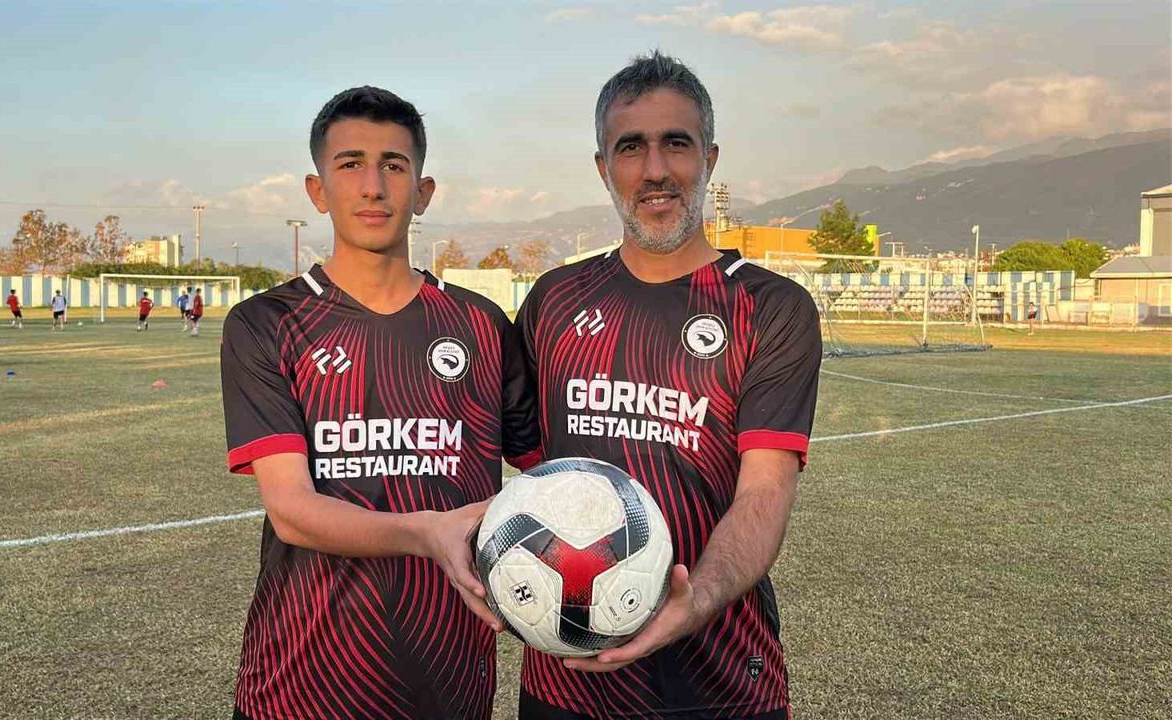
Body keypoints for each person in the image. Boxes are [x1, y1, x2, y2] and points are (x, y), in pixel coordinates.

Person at [515, 51, 821, 720]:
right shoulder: (554, 300)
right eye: (631, 148)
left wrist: (696, 599)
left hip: (719, 679)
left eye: (676, 143)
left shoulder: (770, 307)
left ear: (709, 157)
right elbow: (527, 464)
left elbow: (765, 490)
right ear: (604, 167)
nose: (655, 170)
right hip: (565, 684)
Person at [220, 85, 541, 720]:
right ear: (318, 191)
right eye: (351, 165)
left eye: (394, 165)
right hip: (299, 689)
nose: (373, 186)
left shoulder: (481, 325)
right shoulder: (267, 323)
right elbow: (291, 512)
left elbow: (549, 470)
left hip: (450, 685)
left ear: (423, 191)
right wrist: (427, 533)